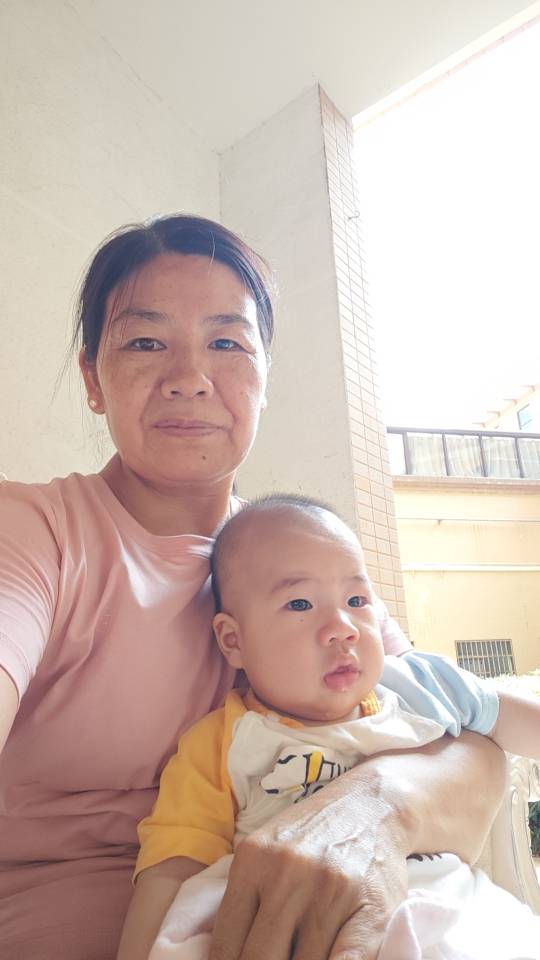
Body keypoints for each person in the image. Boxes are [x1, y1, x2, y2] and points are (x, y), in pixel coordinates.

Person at [0, 215, 505, 960]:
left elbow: (471, 754)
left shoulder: (302, 560)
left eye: (227, 343)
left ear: (265, 379)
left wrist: (373, 811)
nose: (189, 376)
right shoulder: (34, 532)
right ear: (92, 380)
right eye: (146, 342)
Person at [118, 495, 540, 960]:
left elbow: (518, 720)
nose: (343, 627)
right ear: (233, 640)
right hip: (295, 925)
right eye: (300, 603)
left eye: (357, 600)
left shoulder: (418, 687)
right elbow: (172, 871)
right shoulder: (221, 744)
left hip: (446, 907)